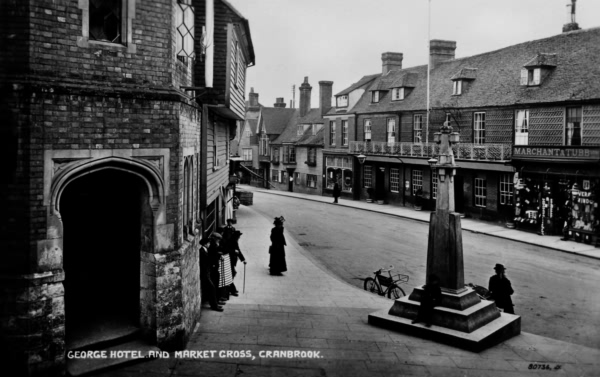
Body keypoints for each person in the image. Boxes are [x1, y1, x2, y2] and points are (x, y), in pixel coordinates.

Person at [199, 237, 224, 311]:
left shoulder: (205, 250)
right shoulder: (202, 251)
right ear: (205, 244)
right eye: (208, 243)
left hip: (207, 273)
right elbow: (206, 262)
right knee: (212, 288)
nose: (209, 244)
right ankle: (214, 306)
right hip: (205, 274)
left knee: (211, 289)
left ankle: (214, 304)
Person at [227, 230, 246, 296]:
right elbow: (227, 250)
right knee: (232, 274)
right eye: (239, 236)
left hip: (232, 260)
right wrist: (234, 251)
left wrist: (243, 259)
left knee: (232, 274)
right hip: (229, 260)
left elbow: (238, 250)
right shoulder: (232, 241)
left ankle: (232, 289)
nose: (239, 237)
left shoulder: (234, 241)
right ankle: (232, 290)